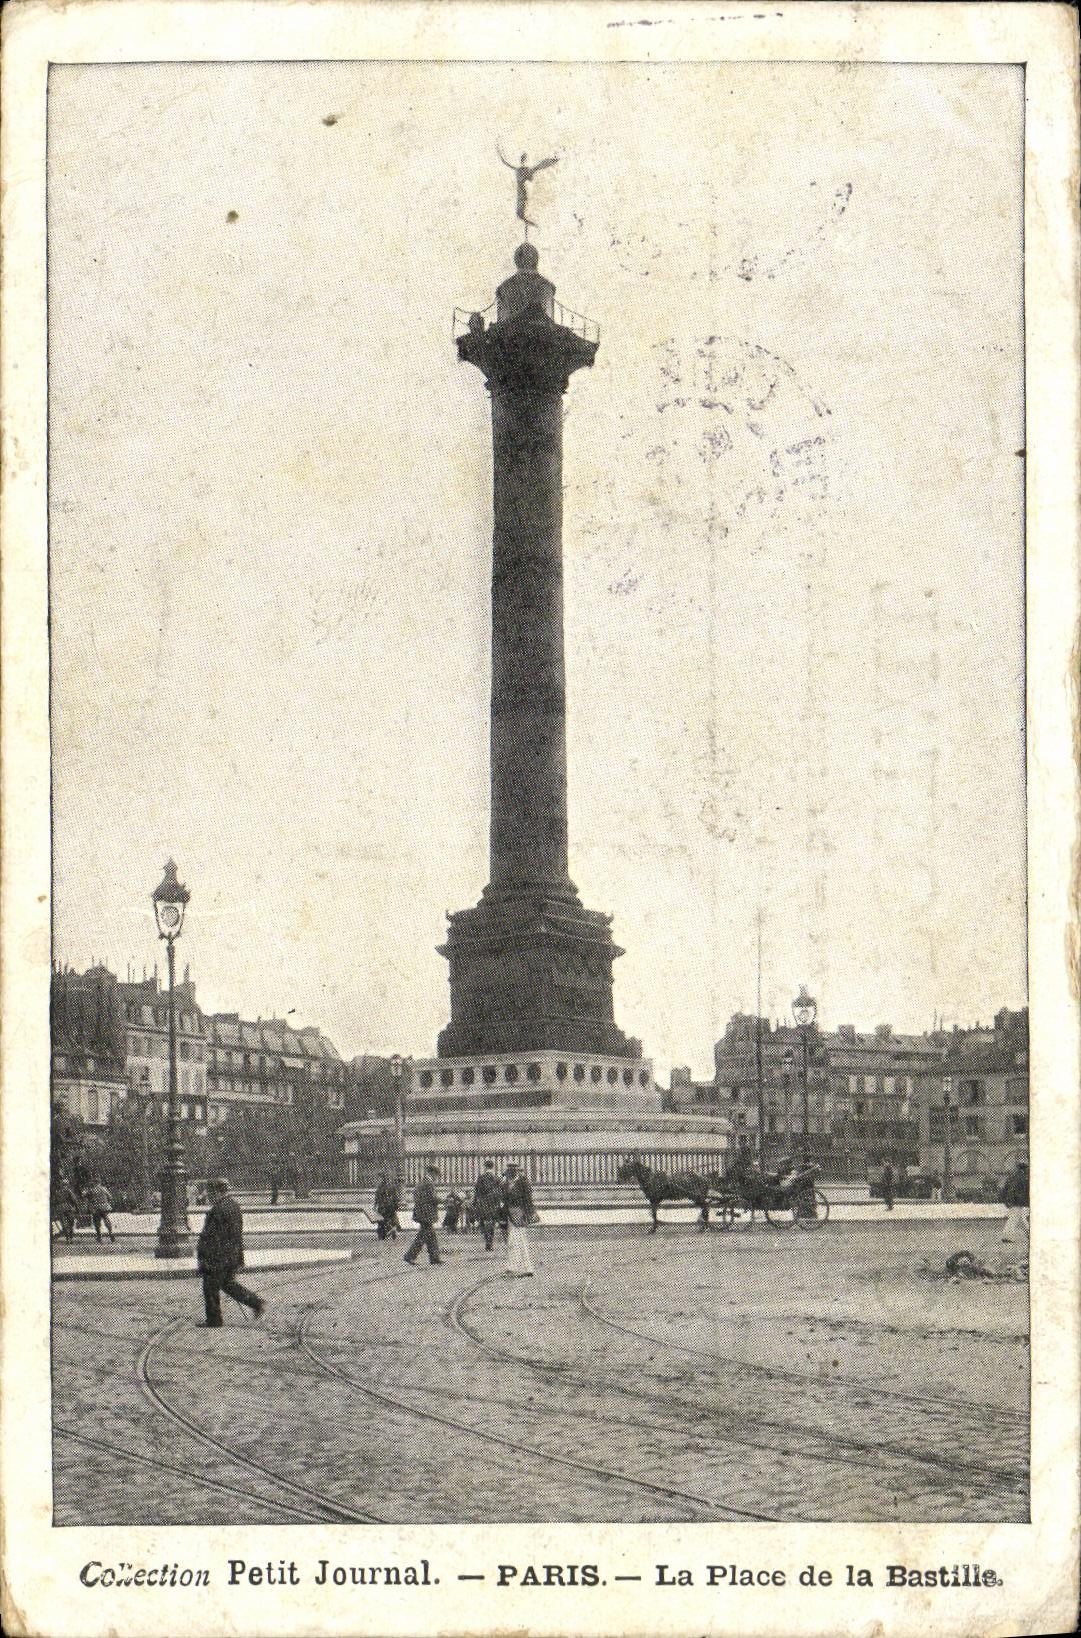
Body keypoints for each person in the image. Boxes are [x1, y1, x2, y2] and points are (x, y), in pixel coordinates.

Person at [196, 1177, 264, 1327]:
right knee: (228, 1284)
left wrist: (206, 1257)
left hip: (219, 1257)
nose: (208, 1196)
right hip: (232, 1255)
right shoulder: (233, 1205)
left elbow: (212, 1236)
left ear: (216, 1192)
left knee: (210, 1286)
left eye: (209, 1192)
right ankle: (256, 1303)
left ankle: (214, 1320)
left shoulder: (219, 1209)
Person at [404, 1165, 442, 1266]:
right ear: (433, 1173)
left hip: (422, 1213)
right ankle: (410, 1256)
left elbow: (416, 1195)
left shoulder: (421, 1182)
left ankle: (434, 1258)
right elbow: (433, 1198)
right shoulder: (429, 1184)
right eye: (436, 1175)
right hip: (426, 1214)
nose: (436, 1178)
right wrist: (444, 1200)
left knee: (431, 1235)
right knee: (423, 1236)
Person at [503, 1163, 535, 1278]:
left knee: (518, 1239)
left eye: (512, 1170)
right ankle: (517, 1266)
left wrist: (529, 1213)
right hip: (511, 1216)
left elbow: (528, 1200)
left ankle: (522, 1267)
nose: (510, 1173)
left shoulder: (522, 1183)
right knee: (514, 1240)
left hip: (520, 1214)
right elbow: (504, 1201)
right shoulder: (506, 1183)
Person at [472, 1159, 504, 1251]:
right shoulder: (497, 1178)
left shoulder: (481, 1178)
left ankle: (487, 1240)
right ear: (493, 1167)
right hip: (494, 1204)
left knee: (483, 1222)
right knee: (491, 1223)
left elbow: (477, 1192)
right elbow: (500, 1191)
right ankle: (489, 1242)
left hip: (483, 1204)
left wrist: (474, 1202)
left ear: (485, 1167)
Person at [1001, 1158, 1029, 1247]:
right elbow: (1018, 1191)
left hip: (1012, 1201)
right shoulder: (1022, 1178)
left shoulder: (1012, 1176)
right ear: (1024, 1168)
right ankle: (1007, 1236)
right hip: (1017, 1201)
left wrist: (1006, 1200)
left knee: (1020, 1218)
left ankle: (1029, 1234)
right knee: (1015, 1218)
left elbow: (1005, 1189)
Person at [374, 1172, 401, 1241]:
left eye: (379, 1178)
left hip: (383, 1207)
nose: (378, 1179)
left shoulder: (380, 1187)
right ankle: (392, 1229)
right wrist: (396, 1205)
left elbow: (377, 1197)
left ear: (381, 1178)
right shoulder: (391, 1185)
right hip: (391, 1206)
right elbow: (396, 1197)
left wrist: (375, 1205)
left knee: (381, 1221)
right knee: (389, 1220)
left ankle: (385, 1233)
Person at [53, 1177, 78, 1243]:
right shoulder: (69, 1191)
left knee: (64, 1224)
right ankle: (70, 1238)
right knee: (71, 1223)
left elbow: (54, 1202)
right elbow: (74, 1200)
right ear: (67, 1184)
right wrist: (76, 1208)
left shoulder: (57, 1192)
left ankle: (68, 1239)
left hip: (60, 1209)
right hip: (69, 1208)